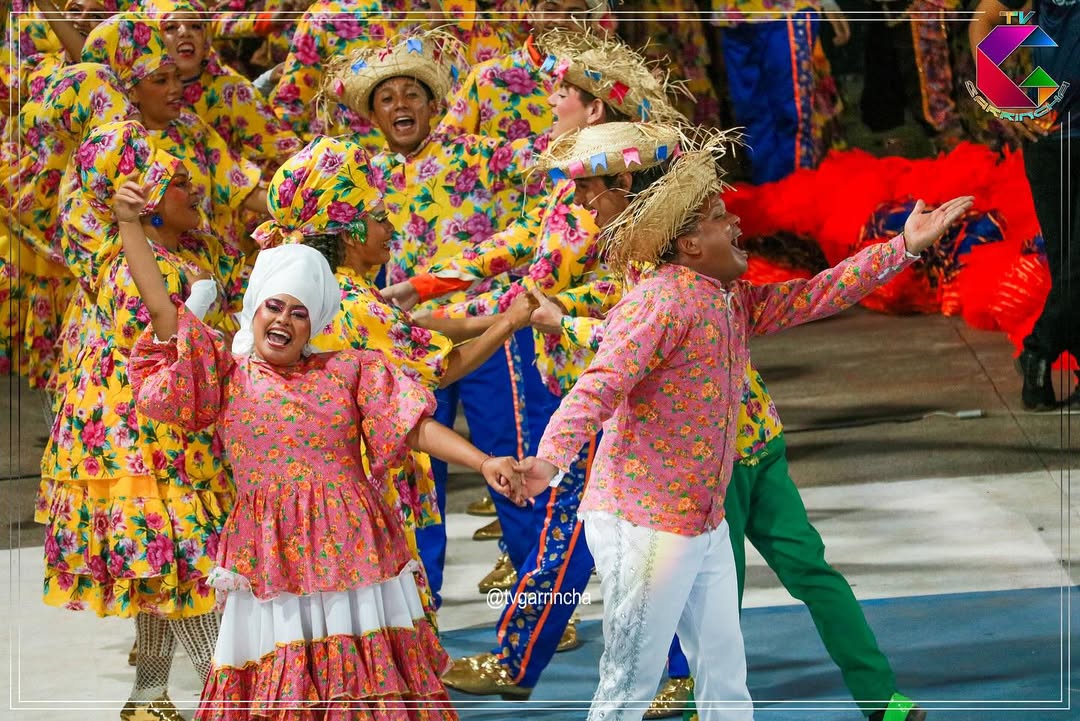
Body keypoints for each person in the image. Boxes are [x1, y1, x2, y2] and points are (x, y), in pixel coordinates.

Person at [513, 128, 974, 720]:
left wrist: (902, 247)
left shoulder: (726, 296)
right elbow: (599, 383)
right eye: (715, 217)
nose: (733, 222)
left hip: (700, 518)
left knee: (725, 675)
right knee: (629, 683)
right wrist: (549, 461)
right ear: (687, 244)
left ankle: (873, 697)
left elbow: (817, 294)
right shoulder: (662, 300)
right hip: (645, 520)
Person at [124, 137, 529, 720]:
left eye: (299, 312)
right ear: (254, 307)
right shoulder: (226, 373)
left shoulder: (346, 370)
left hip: (354, 550)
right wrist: (129, 225)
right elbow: (162, 308)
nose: (284, 320)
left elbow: (411, 426)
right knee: (283, 674)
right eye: (274, 307)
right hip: (271, 553)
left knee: (363, 679)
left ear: (315, 322)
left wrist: (483, 462)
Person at [40, 119, 232, 721]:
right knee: (197, 572)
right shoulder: (136, 269)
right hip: (148, 452)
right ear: (145, 205)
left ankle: (147, 698)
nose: (194, 189)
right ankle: (228, 700)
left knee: (164, 571)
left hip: (151, 445)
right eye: (175, 183)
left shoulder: (171, 256)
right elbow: (171, 344)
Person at [969, 0, 1080, 409]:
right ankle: (1044, 368)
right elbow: (986, 19)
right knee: (1068, 262)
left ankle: (1038, 350)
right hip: (1049, 142)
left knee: (1077, 267)